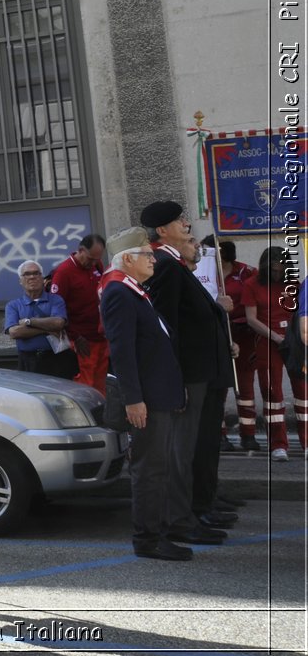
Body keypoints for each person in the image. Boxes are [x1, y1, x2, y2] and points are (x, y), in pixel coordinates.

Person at [140, 201, 236, 543]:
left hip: (201, 372)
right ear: (162, 230)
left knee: (194, 447)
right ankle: (181, 519)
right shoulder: (165, 265)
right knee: (182, 452)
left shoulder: (175, 264)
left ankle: (192, 513)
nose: (187, 224)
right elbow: (168, 328)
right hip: (188, 375)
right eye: (179, 221)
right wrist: (175, 378)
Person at [99, 228, 193, 562]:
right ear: (126, 259)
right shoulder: (117, 292)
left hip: (158, 394)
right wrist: (133, 399)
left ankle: (159, 530)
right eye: (147, 254)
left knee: (159, 468)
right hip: (146, 399)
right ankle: (149, 538)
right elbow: (122, 352)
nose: (154, 259)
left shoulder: (133, 289)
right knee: (149, 470)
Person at [241, 246, 306, 460]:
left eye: (281, 270)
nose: (277, 274)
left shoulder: (293, 284)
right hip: (268, 343)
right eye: (274, 270)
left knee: (303, 394)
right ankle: (278, 445)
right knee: (273, 395)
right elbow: (251, 319)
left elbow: (301, 312)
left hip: (294, 343)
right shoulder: (251, 284)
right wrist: (276, 337)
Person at [212, 240, 261, 451]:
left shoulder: (247, 273)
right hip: (216, 334)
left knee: (244, 386)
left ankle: (248, 434)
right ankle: (219, 436)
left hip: (243, 333)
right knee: (218, 387)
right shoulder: (202, 273)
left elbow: (258, 300)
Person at [50, 235, 108, 391]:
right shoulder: (64, 272)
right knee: (85, 383)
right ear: (81, 250)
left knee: (101, 381)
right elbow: (56, 309)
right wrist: (74, 336)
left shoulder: (96, 265)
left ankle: (102, 413)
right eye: (90, 259)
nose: (93, 263)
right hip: (82, 339)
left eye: (97, 259)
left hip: (100, 335)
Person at [3, 261, 77, 378]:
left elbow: (58, 323)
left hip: (58, 360)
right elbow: (14, 332)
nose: (32, 277)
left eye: (36, 273)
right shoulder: (13, 305)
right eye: (27, 274)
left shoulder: (56, 300)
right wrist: (46, 330)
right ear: (20, 280)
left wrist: (29, 322)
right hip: (28, 361)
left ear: (42, 278)